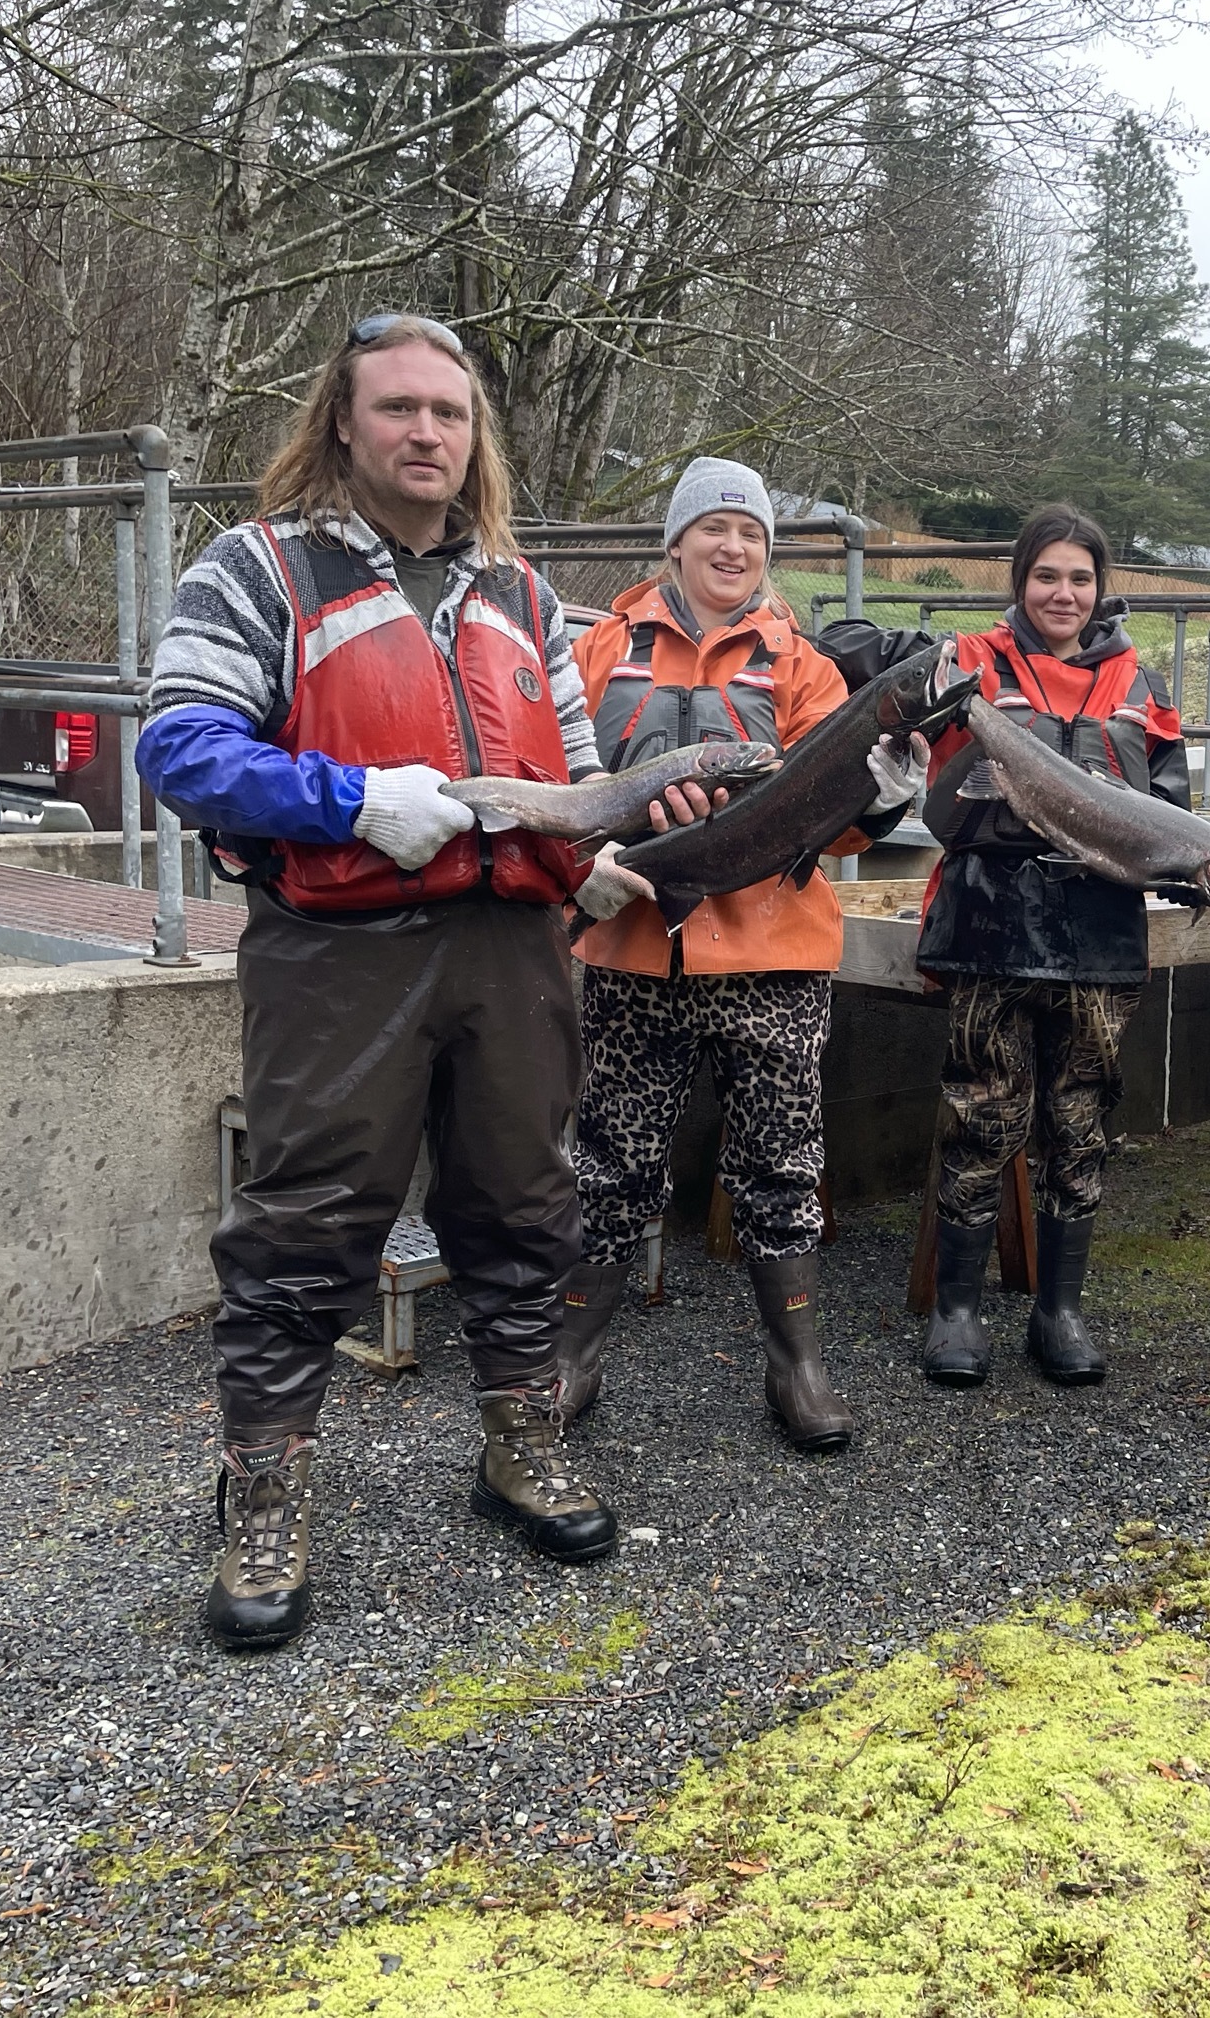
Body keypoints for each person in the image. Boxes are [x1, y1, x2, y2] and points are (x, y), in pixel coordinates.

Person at [139, 312, 620, 1651]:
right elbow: (178, 749)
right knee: (303, 1227)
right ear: (341, 421)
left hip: (514, 952)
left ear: (478, 436)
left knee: (525, 1202)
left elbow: (574, 782)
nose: (428, 434)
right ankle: (264, 1487)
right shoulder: (257, 570)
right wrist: (350, 800)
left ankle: (521, 1441)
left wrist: (616, 846)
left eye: (450, 414)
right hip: (339, 955)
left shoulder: (524, 598)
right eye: (400, 409)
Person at [557, 458, 922, 1451]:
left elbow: (844, 832)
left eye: (752, 534)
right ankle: (573, 1355)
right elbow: (549, 785)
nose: (733, 548)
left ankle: (796, 1367)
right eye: (714, 528)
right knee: (610, 1164)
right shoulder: (595, 650)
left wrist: (886, 791)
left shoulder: (804, 669)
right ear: (673, 541)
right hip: (633, 953)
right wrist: (578, 871)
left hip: (774, 958)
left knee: (781, 1166)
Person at [914, 506, 1186, 1388]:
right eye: (1046, 576)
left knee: (1080, 1123)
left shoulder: (1145, 688)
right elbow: (936, 809)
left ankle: (1058, 1310)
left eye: (1080, 578)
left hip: (1100, 941)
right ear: (1019, 581)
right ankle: (958, 1311)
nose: (1063, 594)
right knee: (981, 1118)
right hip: (991, 926)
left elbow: (1175, 814)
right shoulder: (969, 664)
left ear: (1102, 588)